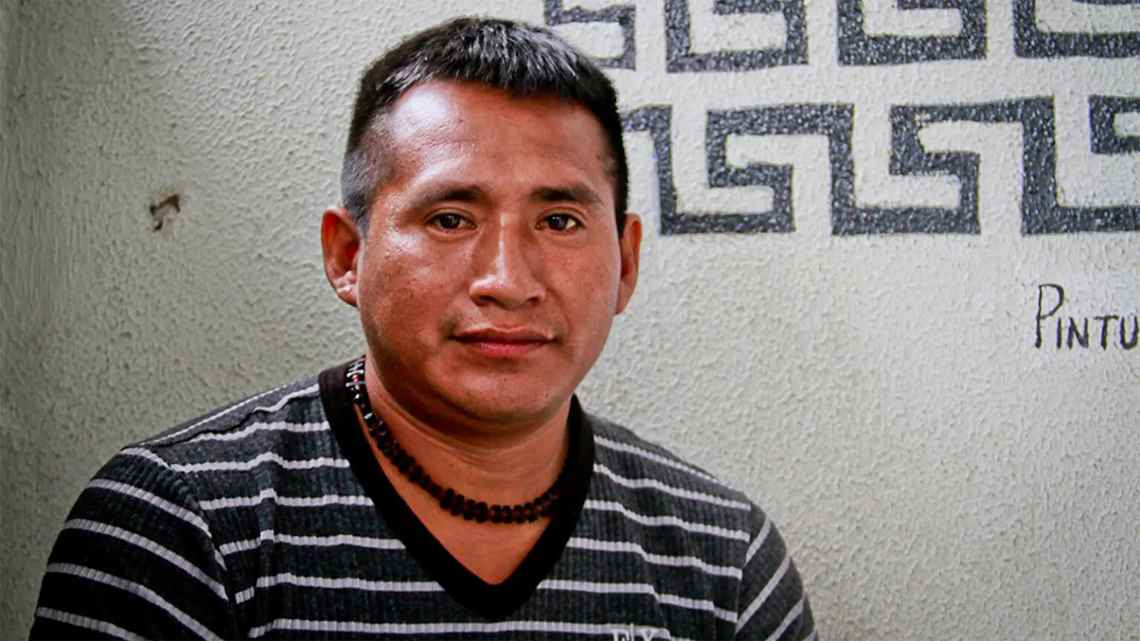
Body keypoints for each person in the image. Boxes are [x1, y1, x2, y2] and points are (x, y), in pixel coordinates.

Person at [30, 16, 815, 641]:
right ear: (348, 254)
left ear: (626, 263)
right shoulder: (179, 528)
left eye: (560, 220)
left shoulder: (725, 562)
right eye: (449, 218)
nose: (507, 279)